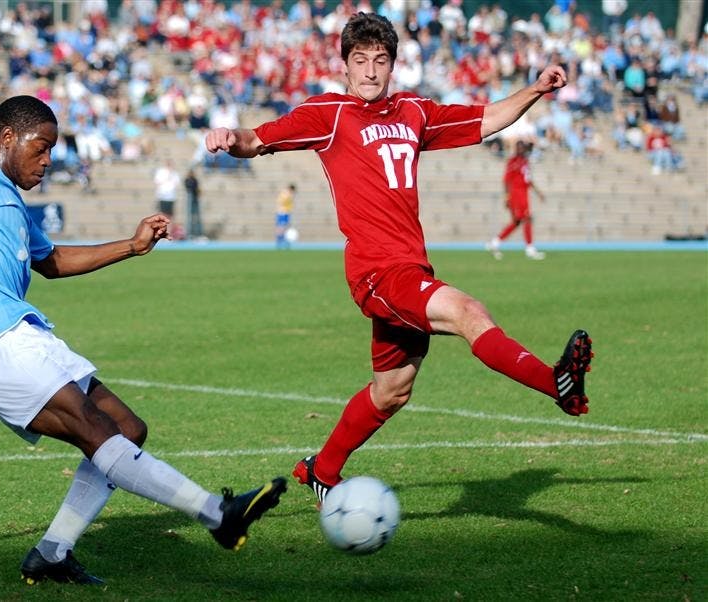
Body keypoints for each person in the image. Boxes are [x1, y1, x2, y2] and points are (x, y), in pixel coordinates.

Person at [0, 95, 286, 584]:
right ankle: (217, 514)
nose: (47, 161)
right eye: (40, 148)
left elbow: (53, 262)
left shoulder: (12, 200)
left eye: (52, 151)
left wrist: (131, 246)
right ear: (7, 139)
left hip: (23, 332)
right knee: (97, 430)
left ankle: (52, 553)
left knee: (126, 428)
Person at [205, 13, 593, 506]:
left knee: (392, 390)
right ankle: (556, 384)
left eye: (380, 61)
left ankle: (321, 471)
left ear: (392, 65)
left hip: (411, 268)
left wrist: (535, 89)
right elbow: (257, 139)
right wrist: (227, 136)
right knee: (468, 312)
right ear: (345, 65)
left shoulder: (414, 112)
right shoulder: (329, 114)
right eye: (360, 61)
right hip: (376, 271)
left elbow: (485, 119)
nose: (369, 71)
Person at [486, 140, 546, 260]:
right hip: (516, 194)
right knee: (527, 219)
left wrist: (538, 192)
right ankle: (530, 249)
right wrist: (506, 196)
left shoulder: (525, 161)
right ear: (516, 148)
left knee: (517, 222)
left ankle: (495, 242)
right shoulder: (513, 161)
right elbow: (506, 180)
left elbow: (528, 180)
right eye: (519, 147)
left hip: (524, 193)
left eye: (523, 148)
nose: (522, 150)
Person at [184, 167, 205, 239]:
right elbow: (188, 188)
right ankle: (189, 233)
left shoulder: (195, 180)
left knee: (197, 217)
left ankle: (199, 234)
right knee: (190, 218)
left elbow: (197, 189)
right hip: (190, 200)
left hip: (195, 200)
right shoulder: (187, 180)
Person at [275, 183, 297, 249]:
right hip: (282, 212)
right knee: (281, 227)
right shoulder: (286, 193)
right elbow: (281, 201)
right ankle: (279, 242)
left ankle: (284, 241)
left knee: (285, 227)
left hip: (286, 212)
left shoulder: (288, 193)